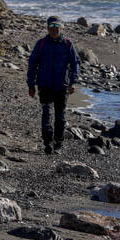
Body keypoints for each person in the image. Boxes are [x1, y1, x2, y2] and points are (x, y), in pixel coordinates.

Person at [27, 16, 80, 154]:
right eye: (51, 25)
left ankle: (58, 143)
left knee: (60, 116)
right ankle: (47, 143)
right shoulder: (42, 44)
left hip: (62, 86)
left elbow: (75, 64)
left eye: (57, 26)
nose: (54, 28)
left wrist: (73, 82)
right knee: (46, 113)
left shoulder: (68, 44)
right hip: (44, 85)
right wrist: (31, 84)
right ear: (47, 27)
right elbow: (32, 64)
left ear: (61, 27)